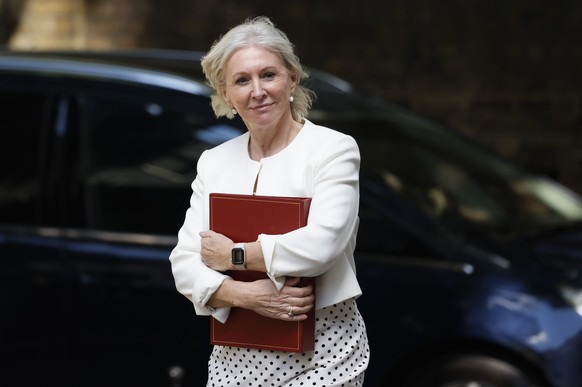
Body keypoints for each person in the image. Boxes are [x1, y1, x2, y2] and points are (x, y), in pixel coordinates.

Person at [169, 16, 369, 386]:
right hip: (235, 361)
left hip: (324, 356)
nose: (257, 90)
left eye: (268, 75)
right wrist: (243, 294)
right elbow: (184, 261)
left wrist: (234, 256)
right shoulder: (214, 161)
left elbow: (323, 243)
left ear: (292, 78)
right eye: (242, 80)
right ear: (226, 94)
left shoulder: (332, 149)